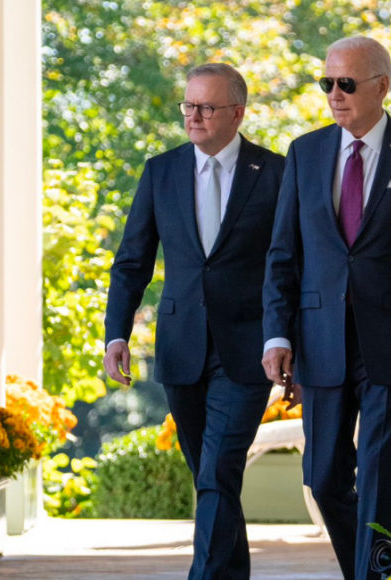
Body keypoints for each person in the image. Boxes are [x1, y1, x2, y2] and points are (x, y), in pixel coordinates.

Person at [261, 36, 391, 579]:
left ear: (382, 86)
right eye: (326, 83)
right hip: (319, 342)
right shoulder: (304, 153)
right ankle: (379, 569)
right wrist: (276, 335)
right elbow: (283, 255)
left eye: (346, 83)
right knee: (323, 476)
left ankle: (373, 576)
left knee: (379, 475)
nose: (334, 93)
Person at [103, 63, 284, 580]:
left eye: (206, 107)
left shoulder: (273, 173)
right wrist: (118, 331)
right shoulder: (161, 171)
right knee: (213, 479)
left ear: (237, 112)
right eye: (188, 106)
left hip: (248, 349)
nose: (194, 117)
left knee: (218, 470)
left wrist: (288, 338)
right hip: (181, 348)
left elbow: (290, 263)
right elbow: (132, 260)